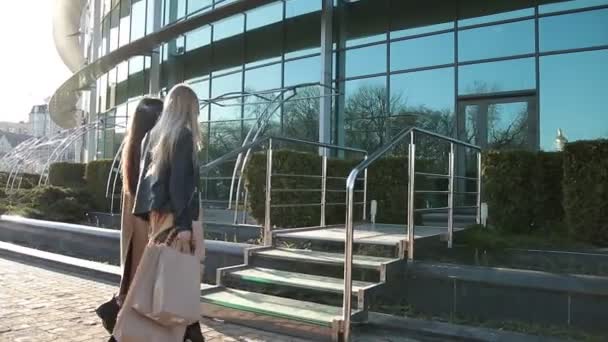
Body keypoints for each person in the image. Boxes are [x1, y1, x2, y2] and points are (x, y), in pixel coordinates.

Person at [113, 84, 204, 342]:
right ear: (188, 108)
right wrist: (185, 226)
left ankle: (142, 331)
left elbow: (148, 184)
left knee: (155, 277)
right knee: (178, 276)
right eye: (195, 109)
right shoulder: (183, 136)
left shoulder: (152, 136)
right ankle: (174, 332)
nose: (197, 115)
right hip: (177, 219)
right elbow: (179, 186)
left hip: (157, 217)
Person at [96, 97, 163, 335]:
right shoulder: (150, 148)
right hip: (144, 222)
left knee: (136, 280)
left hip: (135, 222)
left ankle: (116, 309)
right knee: (142, 282)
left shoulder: (133, 146)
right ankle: (116, 311)